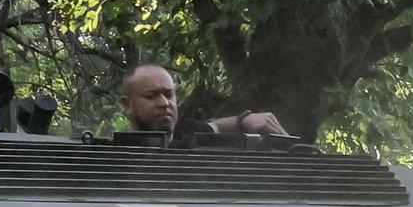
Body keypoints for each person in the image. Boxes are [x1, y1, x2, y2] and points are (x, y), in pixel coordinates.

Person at [113, 64, 286, 140]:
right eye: (151, 96)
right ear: (128, 105)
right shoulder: (113, 155)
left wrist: (243, 119)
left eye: (169, 94)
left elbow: (216, 126)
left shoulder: (188, 133)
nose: (164, 103)